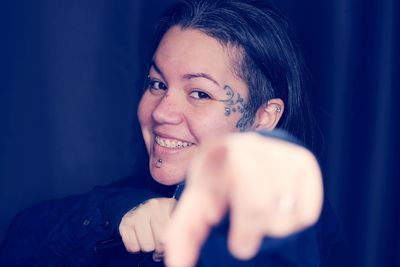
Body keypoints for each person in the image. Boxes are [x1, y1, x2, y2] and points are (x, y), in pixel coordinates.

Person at [0, 0, 346, 266]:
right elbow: (21, 240)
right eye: (157, 84)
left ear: (262, 117)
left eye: (199, 93)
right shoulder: (136, 198)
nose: (161, 111)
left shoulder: (290, 225)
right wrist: (118, 212)